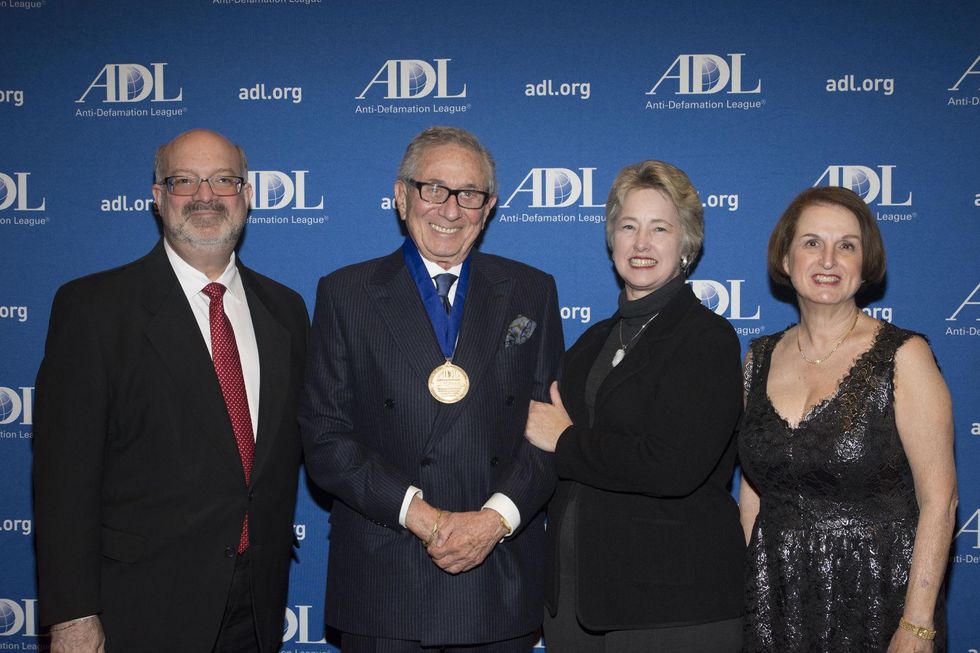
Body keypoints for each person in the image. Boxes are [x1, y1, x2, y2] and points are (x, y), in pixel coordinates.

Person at [33, 129, 309, 653]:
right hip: (138, 609)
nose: (205, 196)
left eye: (223, 180)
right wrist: (72, 616)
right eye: (184, 181)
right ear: (158, 198)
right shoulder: (94, 310)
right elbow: (63, 481)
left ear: (247, 195)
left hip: (257, 606)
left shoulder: (286, 310)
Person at [300, 126, 563, 652]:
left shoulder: (531, 291)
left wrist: (493, 521)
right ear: (402, 196)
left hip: (497, 579)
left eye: (468, 194)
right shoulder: (346, 293)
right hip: (387, 579)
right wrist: (426, 518)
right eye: (433, 189)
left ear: (488, 208)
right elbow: (326, 440)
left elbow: (552, 431)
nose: (449, 209)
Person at [524, 160, 745, 652]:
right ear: (612, 240)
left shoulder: (707, 340)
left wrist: (565, 441)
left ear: (687, 245)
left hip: (671, 608)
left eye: (659, 228)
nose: (641, 243)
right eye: (629, 227)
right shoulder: (589, 344)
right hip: (574, 602)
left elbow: (672, 467)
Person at [739, 186, 957, 652]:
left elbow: (941, 500)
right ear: (785, 258)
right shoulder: (757, 359)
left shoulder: (904, 356)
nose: (828, 259)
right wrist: (749, 586)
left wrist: (917, 626)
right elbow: (754, 492)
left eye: (847, 245)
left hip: (879, 595)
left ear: (865, 264)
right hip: (775, 597)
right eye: (812, 242)